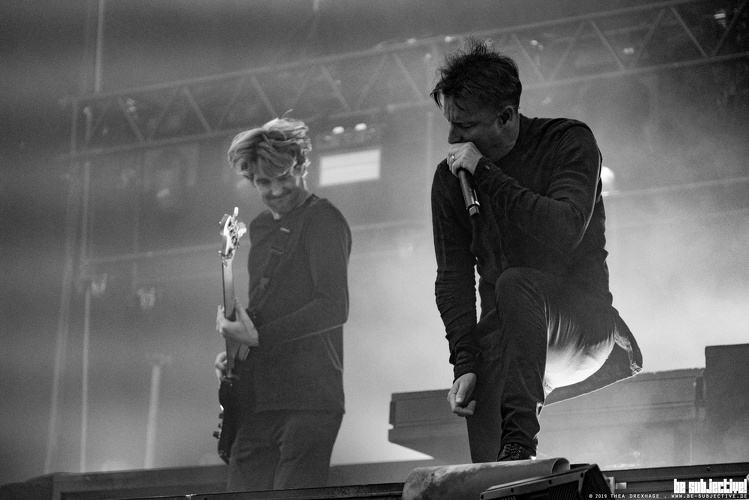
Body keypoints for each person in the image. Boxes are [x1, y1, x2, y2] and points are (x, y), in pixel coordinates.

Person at [429, 39, 643, 463]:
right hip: (507, 337)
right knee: (489, 475)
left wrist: (486, 173)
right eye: (450, 124)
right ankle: (506, 459)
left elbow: (563, 230)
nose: (453, 138)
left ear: (506, 116)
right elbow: (453, 278)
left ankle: (520, 443)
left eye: (465, 125)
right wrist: (464, 363)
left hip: (581, 323)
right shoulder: (450, 179)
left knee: (515, 283)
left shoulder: (567, 141)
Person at [214, 116, 351, 490]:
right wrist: (238, 352)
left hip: (310, 400)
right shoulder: (259, 228)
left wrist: (259, 338)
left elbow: (333, 306)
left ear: (302, 165)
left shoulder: (323, 219)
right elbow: (266, 310)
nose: (275, 190)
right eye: (263, 182)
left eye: (284, 177)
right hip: (258, 399)